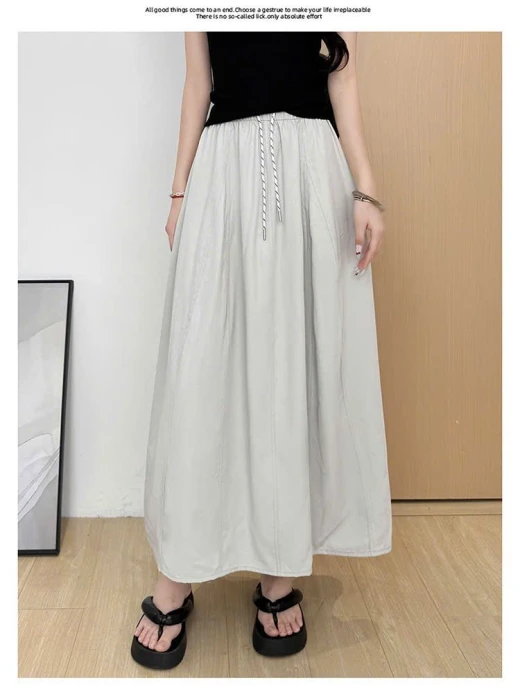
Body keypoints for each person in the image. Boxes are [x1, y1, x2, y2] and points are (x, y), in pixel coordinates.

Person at [131, 31, 392, 669]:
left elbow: (342, 79)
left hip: (311, 173)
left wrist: (365, 188)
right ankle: (179, 571)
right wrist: (179, 190)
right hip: (224, 172)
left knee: (293, 370)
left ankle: (279, 573)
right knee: (202, 370)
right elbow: (198, 84)